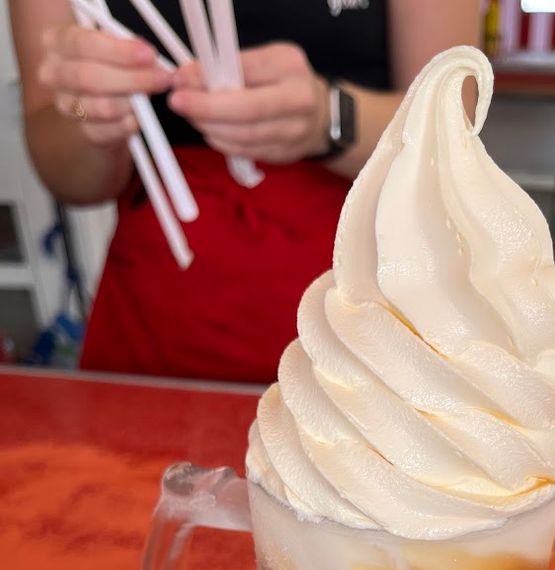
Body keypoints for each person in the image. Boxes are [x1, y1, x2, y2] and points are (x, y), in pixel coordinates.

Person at [11, 1, 481, 382]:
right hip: (161, 306)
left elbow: (453, 121)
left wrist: (327, 117)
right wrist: (88, 114)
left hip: (367, 295)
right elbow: (65, 171)